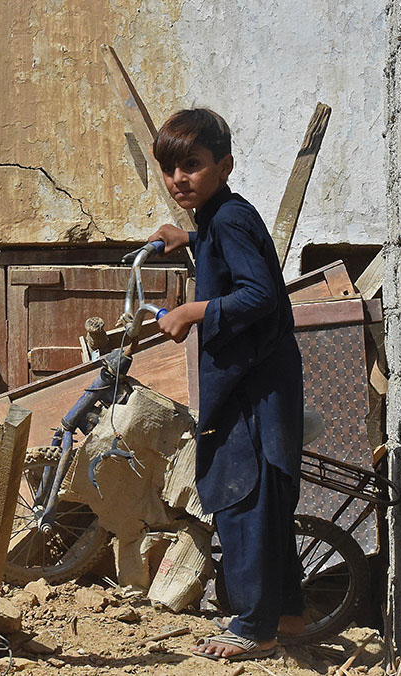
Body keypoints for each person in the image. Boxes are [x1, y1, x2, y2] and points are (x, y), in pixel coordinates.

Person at [146, 109, 304, 661]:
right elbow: (225, 247)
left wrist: (191, 311)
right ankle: (278, 612)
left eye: (192, 165)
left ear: (225, 166)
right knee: (260, 495)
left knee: (245, 497)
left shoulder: (229, 218)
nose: (178, 179)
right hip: (259, 375)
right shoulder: (218, 215)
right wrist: (186, 237)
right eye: (169, 169)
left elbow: (261, 294)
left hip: (253, 382)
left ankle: (255, 629)